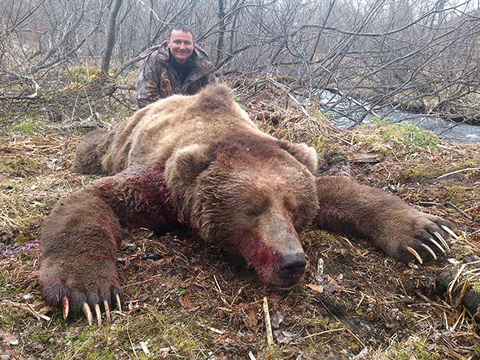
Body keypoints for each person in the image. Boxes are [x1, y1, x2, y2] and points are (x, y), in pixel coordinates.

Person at [135, 23, 216, 108]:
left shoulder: (204, 65)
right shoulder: (155, 60)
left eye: (187, 43)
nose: (182, 47)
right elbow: (145, 98)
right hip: (161, 115)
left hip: (194, 116)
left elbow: (213, 98)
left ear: (193, 45)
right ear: (168, 43)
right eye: (177, 42)